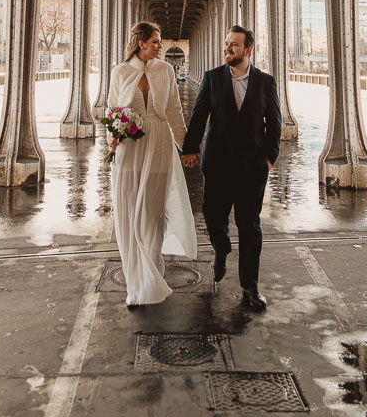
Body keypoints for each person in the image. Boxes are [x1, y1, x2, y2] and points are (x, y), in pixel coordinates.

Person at [181, 25, 281, 311]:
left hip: (252, 167)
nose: (227, 48)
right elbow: (199, 114)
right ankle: (222, 249)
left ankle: (250, 286)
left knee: (250, 226)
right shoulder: (212, 78)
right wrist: (190, 148)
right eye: (226, 43)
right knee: (213, 218)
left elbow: (274, 124)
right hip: (218, 165)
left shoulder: (266, 82)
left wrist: (269, 158)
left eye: (234, 45)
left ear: (247, 50)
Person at [107, 21, 197, 308]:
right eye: (156, 41)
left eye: (159, 41)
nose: (161, 46)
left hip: (158, 143)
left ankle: (152, 275)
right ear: (141, 43)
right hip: (130, 147)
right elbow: (111, 110)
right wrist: (114, 135)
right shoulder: (120, 72)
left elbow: (173, 110)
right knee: (129, 211)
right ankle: (135, 282)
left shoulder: (165, 71)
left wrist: (187, 147)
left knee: (154, 213)